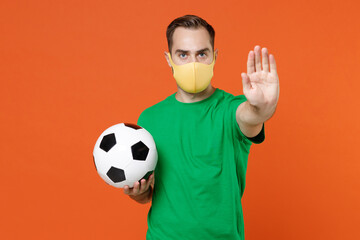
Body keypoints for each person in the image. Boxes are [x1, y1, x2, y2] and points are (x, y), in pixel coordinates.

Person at [123, 15, 279, 240]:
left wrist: (264, 106)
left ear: (214, 57)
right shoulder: (149, 119)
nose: (193, 64)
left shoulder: (230, 109)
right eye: (183, 54)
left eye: (202, 54)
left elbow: (252, 115)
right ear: (169, 59)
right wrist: (138, 193)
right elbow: (149, 194)